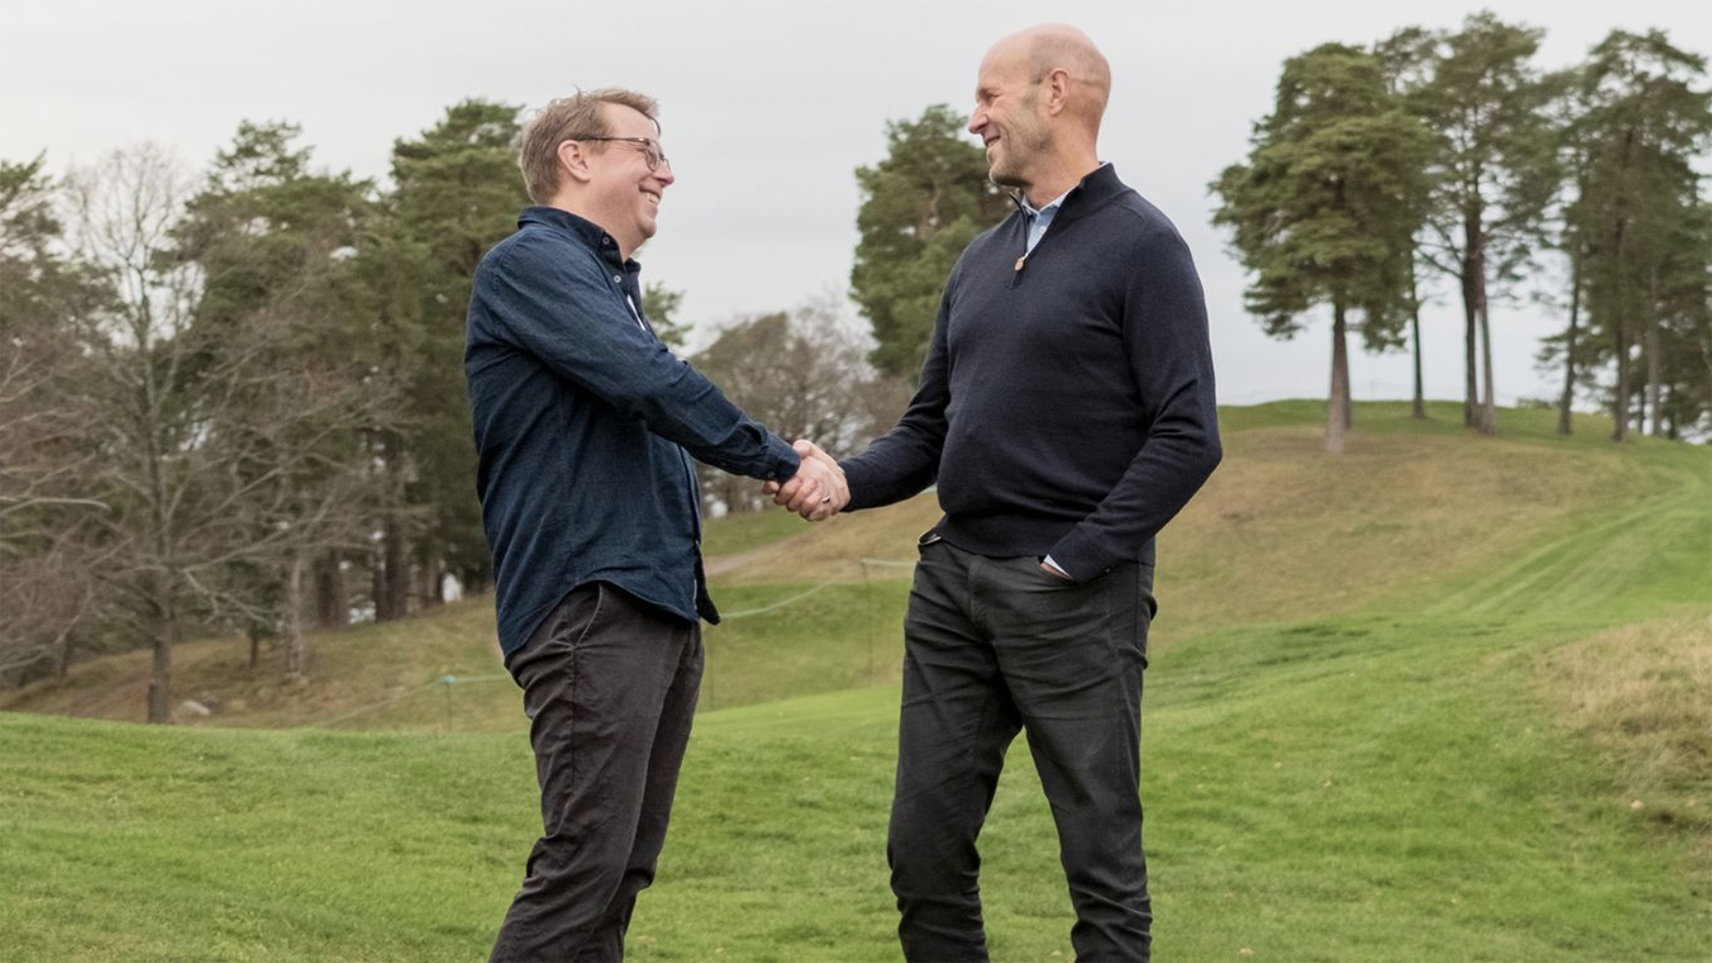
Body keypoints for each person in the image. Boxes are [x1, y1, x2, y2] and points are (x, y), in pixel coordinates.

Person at [792, 24, 1222, 963]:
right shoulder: (980, 260)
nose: (974, 116)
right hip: (954, 588)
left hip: (1072, 597)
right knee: (923, 852)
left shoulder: (1144, 246)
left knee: (1100, 862)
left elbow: (1190, 435)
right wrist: (841, 480)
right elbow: (929, 430)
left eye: (989, 97)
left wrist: (1073, 556)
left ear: (1054, 94)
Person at [464, 88, 842, 963]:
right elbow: (649, 383)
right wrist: (782, 460)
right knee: (585, 863)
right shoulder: (532, 267)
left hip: (651, 605)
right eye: (647, 150)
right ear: (579, 157)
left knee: (619, 869)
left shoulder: (605, 287)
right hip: (590, 601)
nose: (665, 171)